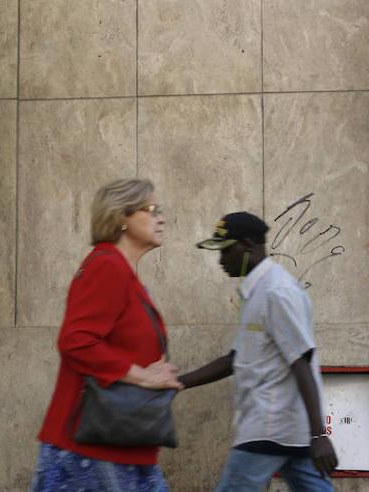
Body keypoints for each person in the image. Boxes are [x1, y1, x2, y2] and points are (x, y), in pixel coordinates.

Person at [30, 178, 181, 492]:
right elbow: (76, 341)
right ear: (121, 217)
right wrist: (143, 376)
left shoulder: (123, 272)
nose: (161, 218)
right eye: (152, 210)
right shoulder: (107, 266)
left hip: (120, 445)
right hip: (93, 452)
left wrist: (153, 369)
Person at [178, 212, 337, 492]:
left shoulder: (277, 291)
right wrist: (179, 383)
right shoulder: (256, 291)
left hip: (269, 428)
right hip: (286, 432)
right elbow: (235, 359)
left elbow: (301, 362)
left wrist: (320, 435)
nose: (221, 260)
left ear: (248, 245)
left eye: (226, 251)